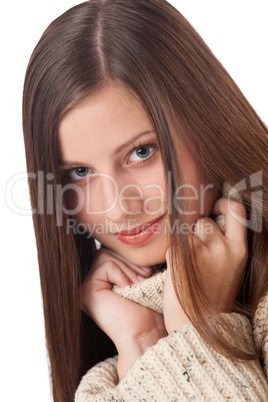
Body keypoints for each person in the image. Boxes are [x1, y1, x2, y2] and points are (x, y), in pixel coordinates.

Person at [22, 0, 268, 400]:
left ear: (207, 122)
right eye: (79, 173)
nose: (119, 207)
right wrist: (142, 342)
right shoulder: (122, 334)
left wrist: (203, 328)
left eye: (141, 152)